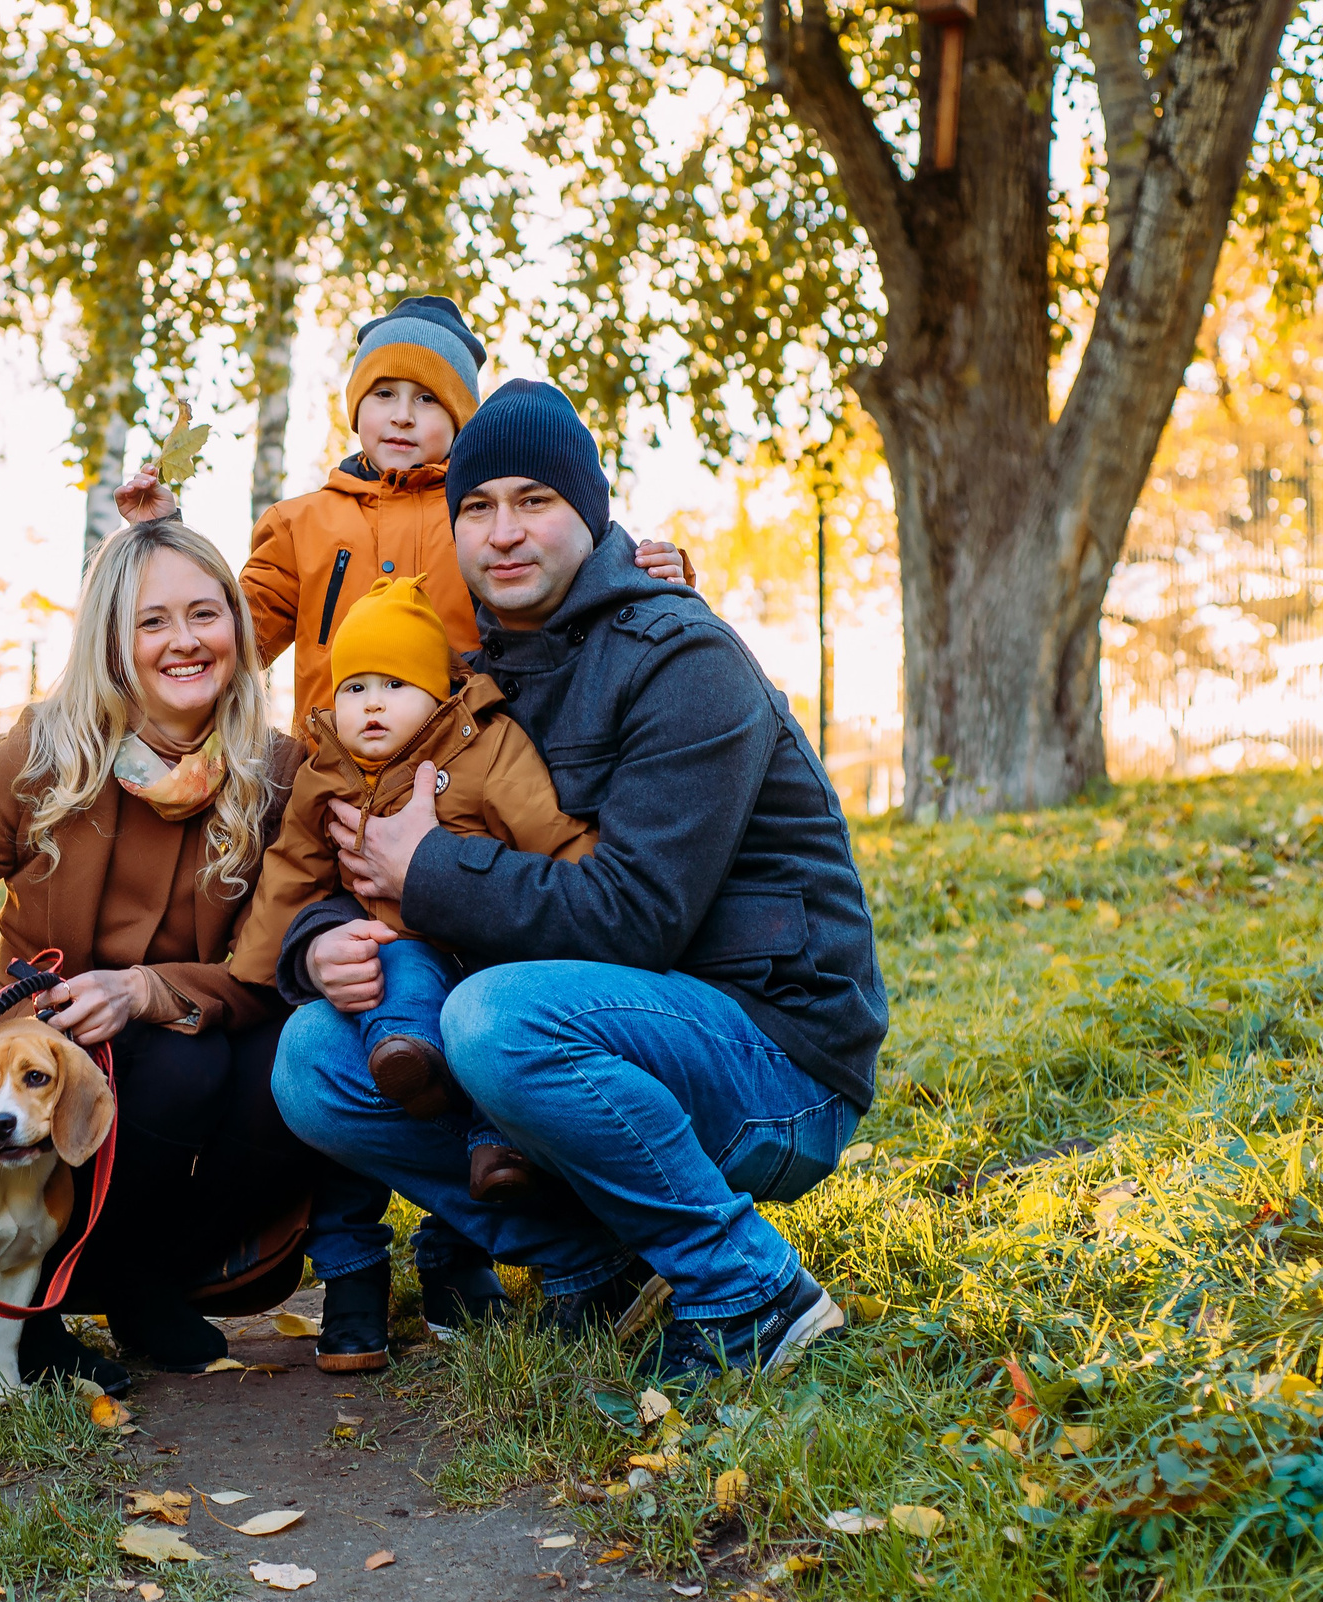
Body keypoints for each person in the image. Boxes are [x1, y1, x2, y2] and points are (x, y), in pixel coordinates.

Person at [269, 380, 890, 1388]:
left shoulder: (681, 655)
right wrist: (323, 939)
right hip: (612, 1033)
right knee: (311, 1058)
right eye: (477, 507)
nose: (503, 532)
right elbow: (371, 841)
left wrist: (425, 866)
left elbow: (634, 918)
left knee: (491, 1016)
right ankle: (591, 1264)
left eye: (534, 501)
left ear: (590, 512)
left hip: (773, 1061)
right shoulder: (474, 681)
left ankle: (750, 1293)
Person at [0, 517, 320, 1390]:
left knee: (253, 1066)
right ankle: (16, 1313)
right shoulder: (38, 755)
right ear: (113, 642)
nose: (184, 641)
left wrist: (149, 989)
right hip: (36, 1030)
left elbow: (267, 966)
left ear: (238, 630)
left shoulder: (276, 771)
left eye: (206, 614)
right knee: (170, 1071)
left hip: (191, 1021)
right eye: (152, 621)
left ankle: (139, 1277)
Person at [113, 293, 698, 730]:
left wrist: (656, 579)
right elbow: (237, 634)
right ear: (356, 406)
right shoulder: (301, 524)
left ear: (461, 419)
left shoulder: (483, 522)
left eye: (427, 400)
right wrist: (166, 537)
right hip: (332, 768)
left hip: (470, 765)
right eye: (383, 394)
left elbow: (572, 599)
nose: (401, 416)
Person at [229, 572, 600, 1216]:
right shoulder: (326, 772)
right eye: (355, 688)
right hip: (403, 944)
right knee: (393, 966)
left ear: (439, 694)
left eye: (395, 686)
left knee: (485, 1010)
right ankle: (407, 1059)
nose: (372, 705)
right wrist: (253, 974)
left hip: (490, 937)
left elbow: (546, 828)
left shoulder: (485, 746)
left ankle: (489, 1140)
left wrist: (590, 881)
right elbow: (293, 867)